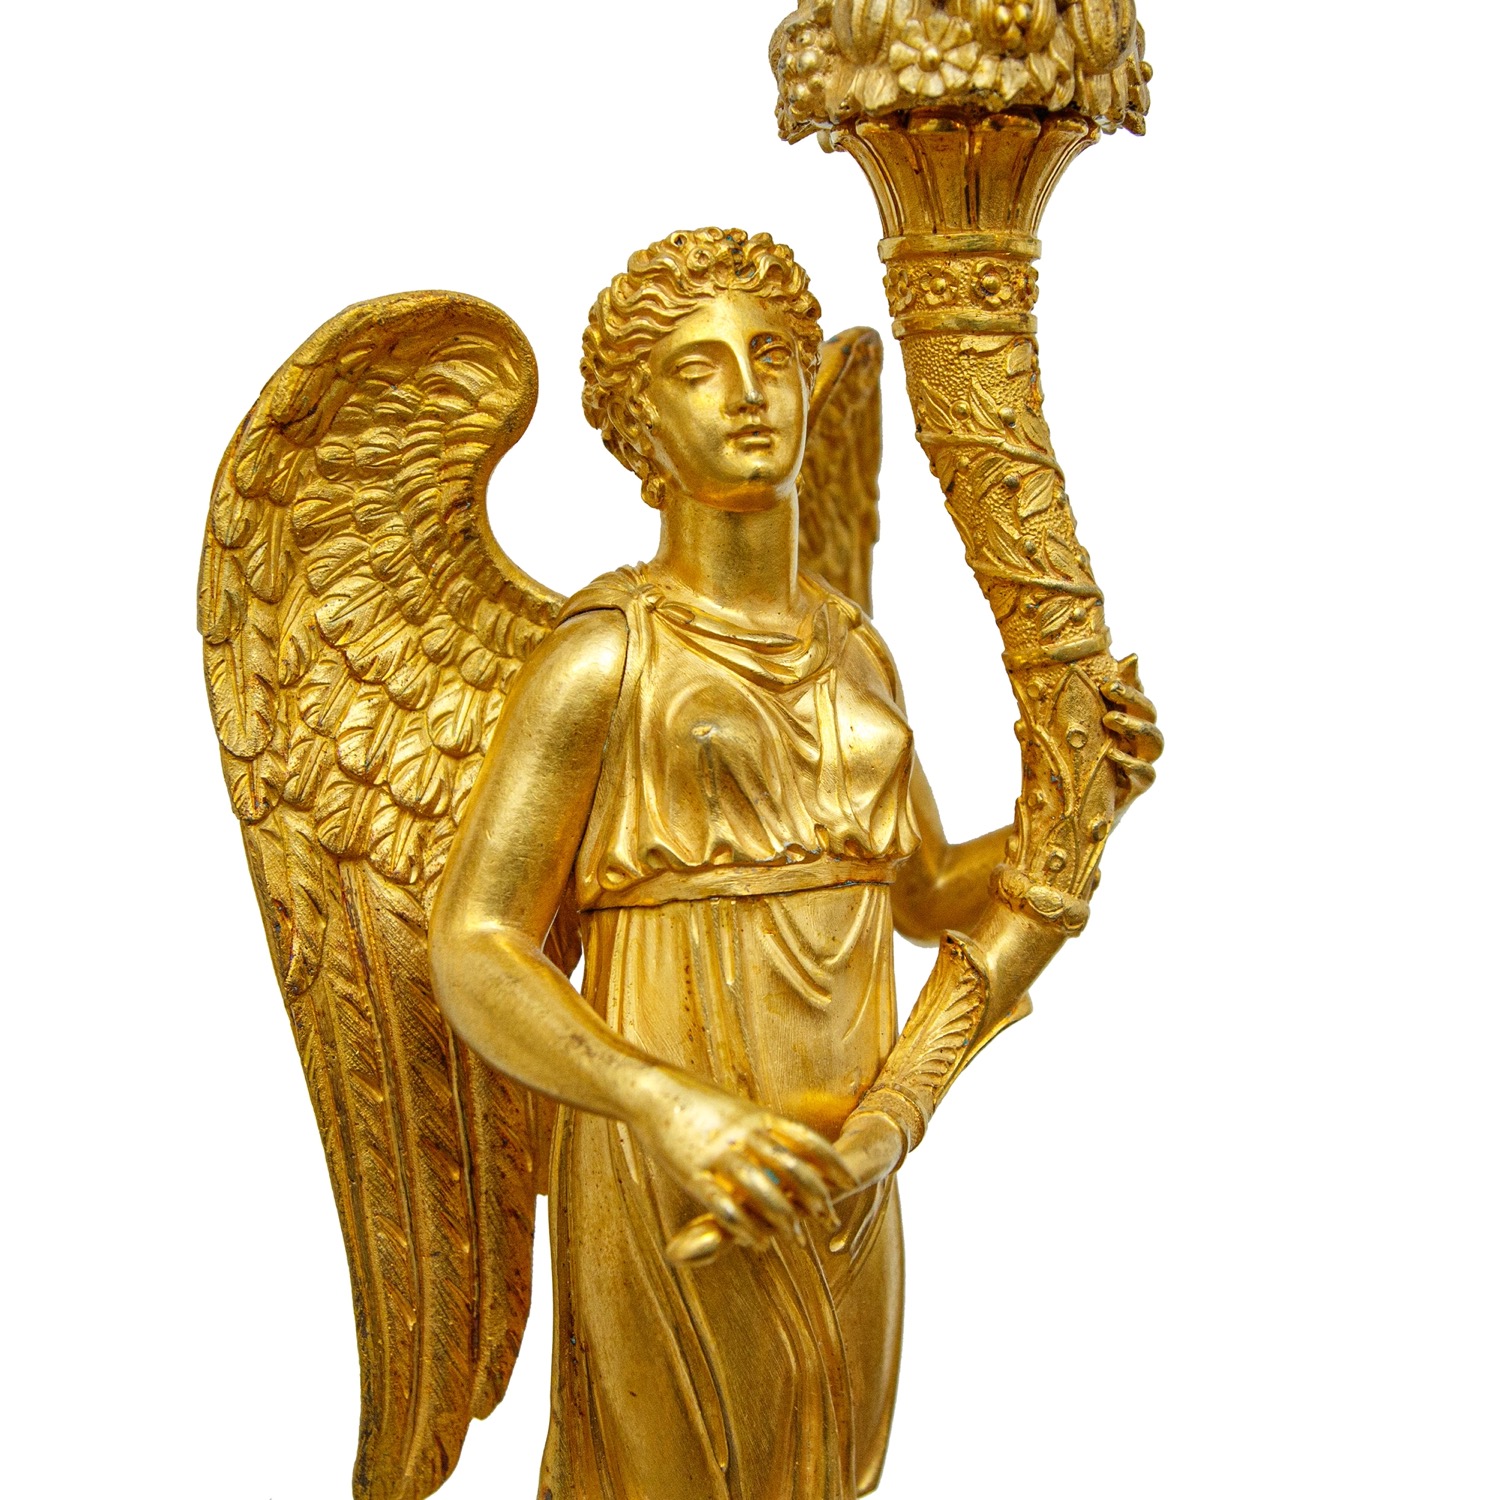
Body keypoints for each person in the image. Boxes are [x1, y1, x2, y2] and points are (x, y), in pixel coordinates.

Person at [429, 228, 1053, 1500]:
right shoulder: (602, 658)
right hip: (676, 1161)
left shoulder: (856, 648)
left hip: (851, 1156)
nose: (749, 391)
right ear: (637, 428)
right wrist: (667, 1104)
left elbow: (928, 893)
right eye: (697, 367)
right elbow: (474, 944)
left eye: (773, 356)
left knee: (828, 1473)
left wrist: (1071, 795)